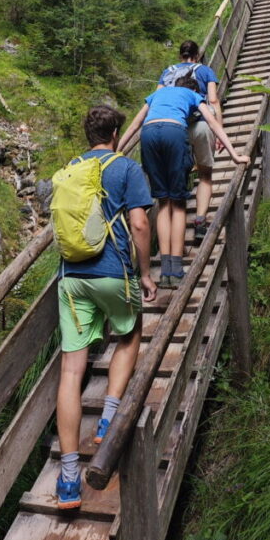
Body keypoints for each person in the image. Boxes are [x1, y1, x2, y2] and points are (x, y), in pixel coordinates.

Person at [55, 105, 157, 510]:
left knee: (71, 371)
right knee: (130, 334)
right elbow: (140, 224)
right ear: (115, 132)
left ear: (87, 134)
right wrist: (146, 273)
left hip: (71, 279)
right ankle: (109, 418)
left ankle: (66, 480)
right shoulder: (125, 168)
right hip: (114, 272)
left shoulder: (71, 169)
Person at [118, 76, 250, 289]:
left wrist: (117, 150)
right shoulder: (194, 95)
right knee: (178, 204)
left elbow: (136, 124)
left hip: (149, 134)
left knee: (163, 203)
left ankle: (163, 271)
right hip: (173, 132)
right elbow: (212, 122)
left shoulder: (157, 94)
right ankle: (175, 270)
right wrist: (234, 154)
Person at [157, 40, 223, 243]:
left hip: (174, 129)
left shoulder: (168, 72)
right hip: (201, 125)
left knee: (177, 179)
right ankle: (200, 222)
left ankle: (175, 236)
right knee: (205, 175)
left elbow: (159, 97)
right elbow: (213, 100)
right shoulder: (205, 71)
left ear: (180, 56)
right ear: (198, 55)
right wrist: (219, 130)